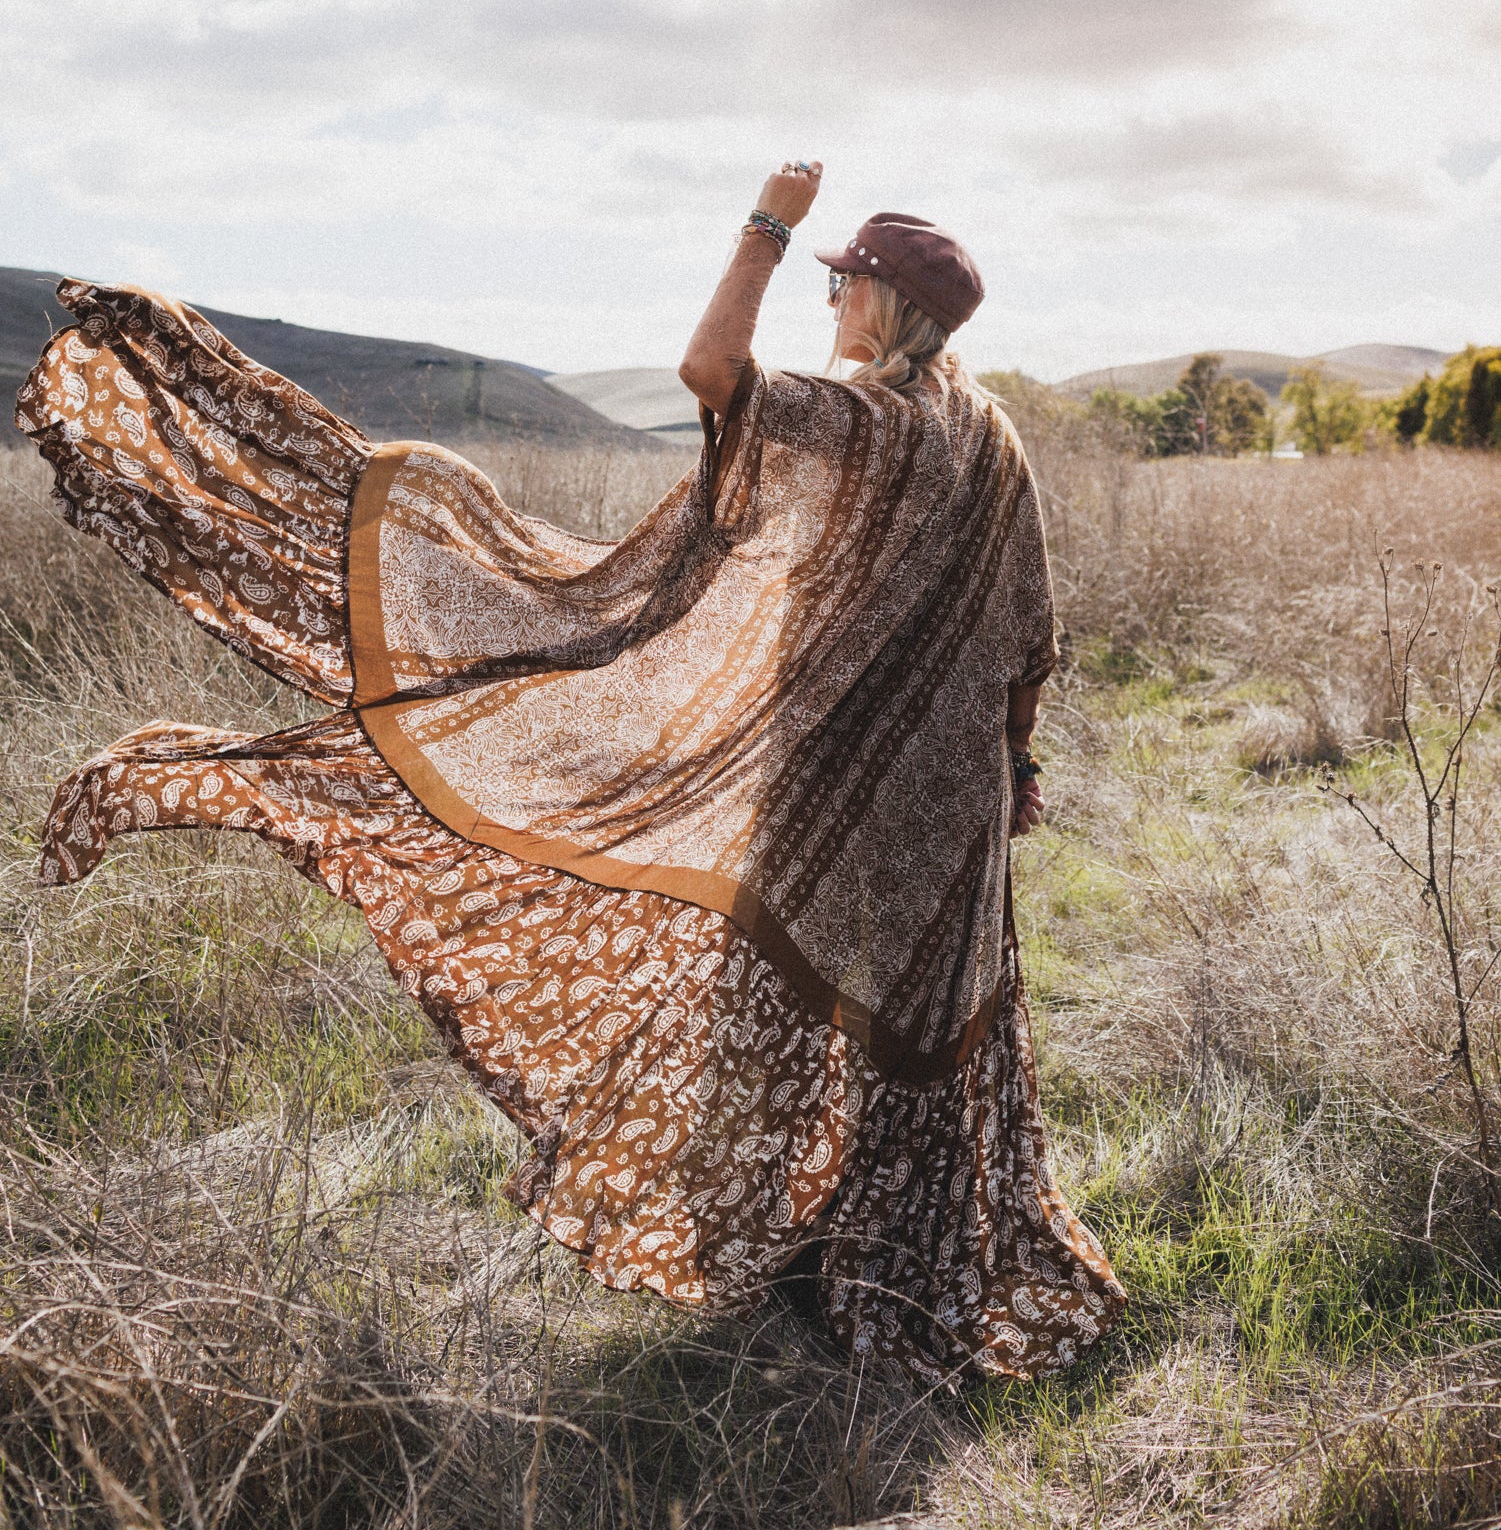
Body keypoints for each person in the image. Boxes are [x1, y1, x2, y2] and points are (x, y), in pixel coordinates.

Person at [15, 163, 1123, 1383]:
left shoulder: (860, 420)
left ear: (886, 306)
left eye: (843, 282)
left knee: (804, 1009)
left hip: (830, 778)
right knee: (907, 1018)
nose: (830, 302)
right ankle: (893, 1253)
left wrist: (764, 226)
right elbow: (1030, 633)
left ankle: (812, 1261)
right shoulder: (990, 435)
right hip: (952, 790)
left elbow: (710, 377)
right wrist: (1013, 763)